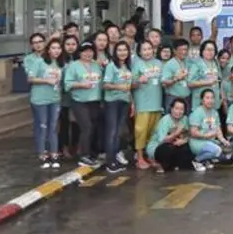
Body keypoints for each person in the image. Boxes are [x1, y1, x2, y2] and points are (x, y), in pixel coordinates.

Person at [63, 41, 103, 167]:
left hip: (95, 101)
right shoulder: (73, 66)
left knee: (94, 127)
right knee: (87, 127)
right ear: (79, 53)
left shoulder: (96, 66)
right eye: (85, 51)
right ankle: (84, 155)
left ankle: (92, 153)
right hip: (79, 101)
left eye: (90, 51)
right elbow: (67, 84)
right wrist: (81, 84)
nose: (88, 53)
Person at [27, 37, 64, 169]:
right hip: (40, 99)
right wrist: (46, 81)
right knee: (43, 126)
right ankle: (42, 153)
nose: (56, 51)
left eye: (59, 48)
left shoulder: (60, 63)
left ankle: (54, 153)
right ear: (48, 49)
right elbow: (30, 79)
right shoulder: (39, 62)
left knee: (53, 127)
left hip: (54, 99)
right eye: (53, 48)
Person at [146, 98, 204, 173]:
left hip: (174, 145)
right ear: (171, 108)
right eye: (176, 108)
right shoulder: (165, 120)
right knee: (167, 149)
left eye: (181, 109)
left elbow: (189, 134)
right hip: (159, 146)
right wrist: (176, 133)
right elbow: (163, 140)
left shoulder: (185, 119)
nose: (178, 112)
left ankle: (170, 164)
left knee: (187, 150)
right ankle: (156, 162)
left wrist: (184, 140)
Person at [131, 40, 163, 170]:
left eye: (149, 48)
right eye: (144, 49)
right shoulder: (136, 64)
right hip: (142, 104)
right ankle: (139, 157)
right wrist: (139, 80)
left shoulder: (159, 63)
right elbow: (130, 84)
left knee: (153, 133)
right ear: (139, 52)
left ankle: (150, 156)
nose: (147, 51)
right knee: (141, 131)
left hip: (157, 103)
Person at [102, 42, 134, 174]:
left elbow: (129, 87)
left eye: (125, 50)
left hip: (125, 101)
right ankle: (110, 162)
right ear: (115, 52)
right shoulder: (111, 66)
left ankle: (114, 158)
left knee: (118, 132)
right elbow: (105, 85)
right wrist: (118, 87)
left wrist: (132, 103)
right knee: (112, 131)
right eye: (119, 50)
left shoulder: (127, 66)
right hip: (113, 102)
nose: (122, 53)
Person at [188, 89, 230, 169]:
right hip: (197, 142)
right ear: (202, 100)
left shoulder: (215, 112)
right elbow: (193, 132)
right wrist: (206, 135)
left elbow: (218, 129)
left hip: (210, 141)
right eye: (207, 98)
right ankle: (197, 161)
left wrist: (223, 140)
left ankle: (206, 160)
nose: (210, 100)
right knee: (217, 150)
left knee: (227, 153)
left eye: (212, 98)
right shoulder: (197, 112)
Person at [58, 35, 80, 159]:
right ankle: (64, 147)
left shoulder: (80, 60)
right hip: (64, 98)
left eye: (73, 44)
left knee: (77, 124)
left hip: (78, 97)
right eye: (68, 44)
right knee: (65, 124)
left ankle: (75, 146)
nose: (70, 47)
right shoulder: (60, 61)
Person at [187, 41, 221, 113]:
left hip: (214, 100)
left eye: (212, 50)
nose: (210, 52)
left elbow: (219, 80)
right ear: (202, 51)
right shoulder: (196, 64)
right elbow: (190, 83)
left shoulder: (216, 63)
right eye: (208, 49)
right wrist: (207, 82)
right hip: (200, 101)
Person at [161, 38, 191, 113]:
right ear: (174, 51)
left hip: (187, 98)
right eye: (181, 50)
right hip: (173, 98)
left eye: (186, 49)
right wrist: (177, 78)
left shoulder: (188, 61)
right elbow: (164, 83)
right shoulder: (169, 64)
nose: (184, 52)